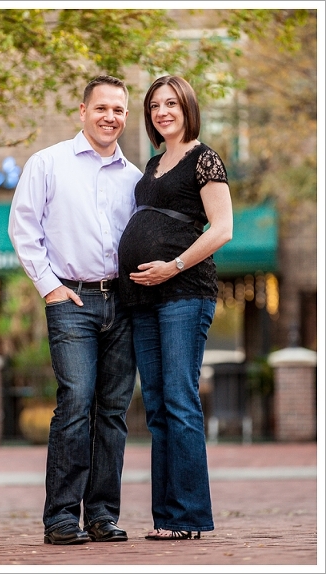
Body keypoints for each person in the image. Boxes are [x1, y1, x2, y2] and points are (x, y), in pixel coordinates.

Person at [8, 75, 142, 545]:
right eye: (102, 108)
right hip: (72, 300)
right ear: (82, 111)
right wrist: (49, 288)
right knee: (76, 404)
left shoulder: (134, 178)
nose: (111, 117)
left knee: (114, 412)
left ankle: (103, 514)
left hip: (123, 302)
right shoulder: (48, 164)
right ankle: (62, 518)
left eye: (119, 110)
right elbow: (23, 229)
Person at [118, 75, 233, 540]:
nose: (162, 111)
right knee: (159, 407)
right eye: (154, 106)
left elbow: (222, 228)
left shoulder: (203, 158)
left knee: (181, 402)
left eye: (171, 103)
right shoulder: (151, 165)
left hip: (185, 293)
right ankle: (167, 518)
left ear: (187, 107)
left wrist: (174, 265)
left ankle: (188, 518)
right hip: (143, 297)